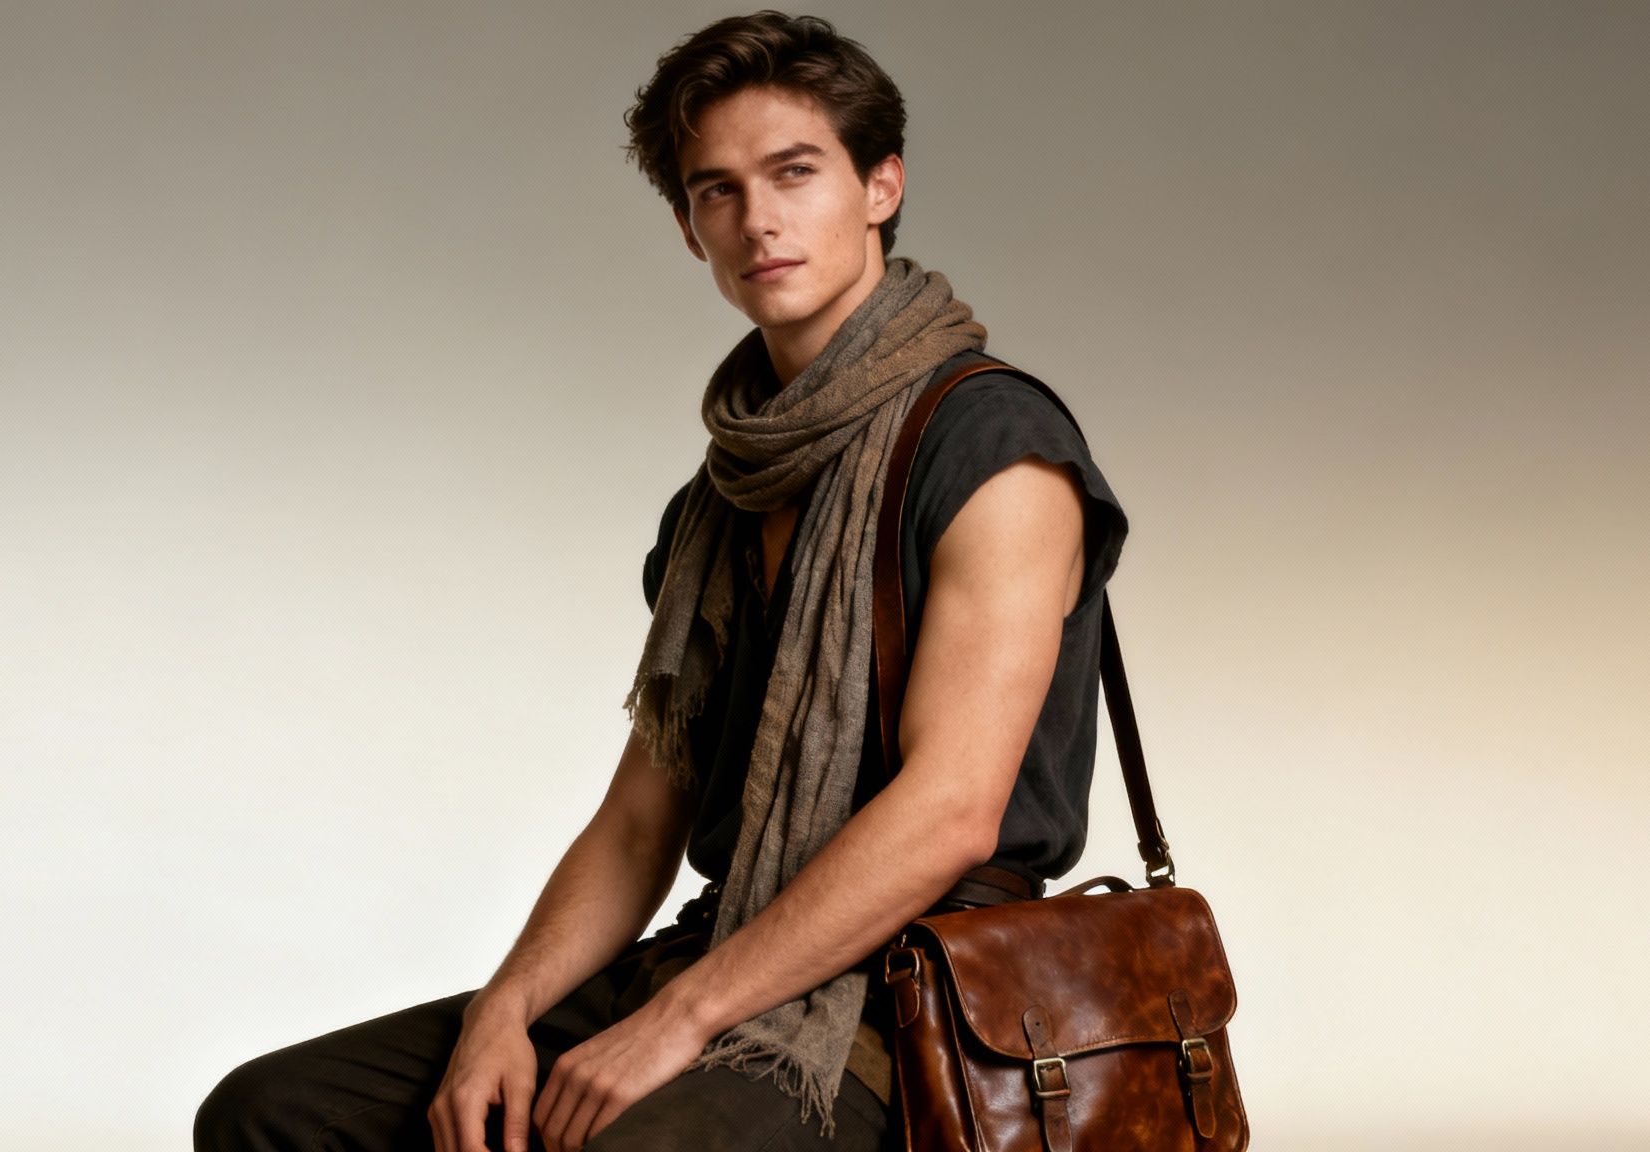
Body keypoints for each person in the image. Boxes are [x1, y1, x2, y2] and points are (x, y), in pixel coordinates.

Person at [194, 10, 1127, 1152]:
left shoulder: (992, 448)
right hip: (716, 948)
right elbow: (642, 822)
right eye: (715, 191)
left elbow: (949, 814)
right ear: (690, 231)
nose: (758, 220)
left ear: (880, 185)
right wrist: (505, 1010)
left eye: (794, 173)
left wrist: (679, 1018)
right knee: (270, 1115)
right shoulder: (720, 502)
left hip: (908, 993)